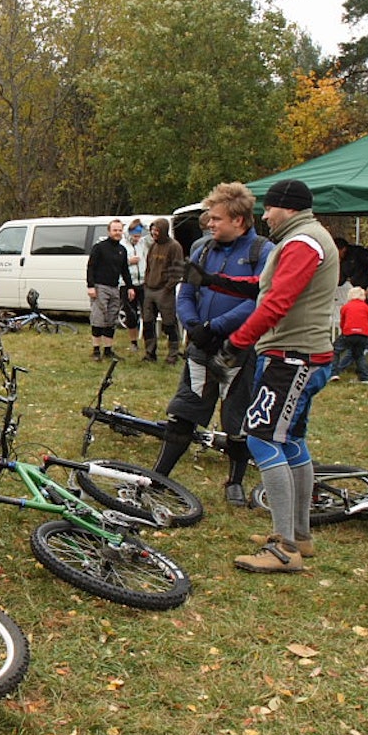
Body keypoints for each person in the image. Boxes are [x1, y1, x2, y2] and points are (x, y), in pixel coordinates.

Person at [214, 178, 338, 573]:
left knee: (261, 438)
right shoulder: (303, 239)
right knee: (292, 441)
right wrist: (214, 280)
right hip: (302, 355)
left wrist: (237, 341)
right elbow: (267, 287)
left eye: (269, 208)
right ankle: (299, 535)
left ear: (288, 207)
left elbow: (277, 302)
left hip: (292, 358)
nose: (265, 216)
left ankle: (284, 549)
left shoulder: (303, 242)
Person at [154, 182, 272, 507]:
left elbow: (258, 300)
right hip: (201, 345)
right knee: (184, 411)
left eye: (216, 218)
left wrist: (215, 327)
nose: (209, 223)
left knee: (237, 419)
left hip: (238, 349)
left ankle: (235, 481)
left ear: (239, 220)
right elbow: (186, 291)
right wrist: (193, 325)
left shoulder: (262, 252)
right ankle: (158, 477)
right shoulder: (203, 249)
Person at [86, 219, 133, 361]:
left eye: (120, 230)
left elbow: (125, 270)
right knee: (98, 319)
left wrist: (130, 287)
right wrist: (91, 286)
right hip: (100, 287)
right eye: (115, 230)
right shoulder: (99, 247)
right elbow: (91, 267)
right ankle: (96, 350)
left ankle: (108, 350)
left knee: (111, 319)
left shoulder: (122, 250)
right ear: (109, 231)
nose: (117, 233)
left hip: (114, 288)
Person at [141, 217, 185, 364]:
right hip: (149, 289)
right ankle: (150, 353)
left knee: (169, 323)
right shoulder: (153, 246)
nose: (154, 233)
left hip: (164, 291)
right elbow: (148, 266)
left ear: (164, 230)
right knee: (148, 322)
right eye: (152, 230)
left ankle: (173, 354)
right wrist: (146, 283)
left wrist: (168, 287)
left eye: (157, 230)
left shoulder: (174, 246)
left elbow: (178, 270)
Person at [331, 286, 368, 383]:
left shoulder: (346, 307)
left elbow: (343, 321)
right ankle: (365, 378)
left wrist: (343, 330)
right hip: (363, 335)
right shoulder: (367, 307)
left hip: (349, 333)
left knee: (335, 351)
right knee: (359, 355)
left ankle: (334, 373)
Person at [121, 220, 150, 352]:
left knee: (147, 313)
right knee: (131, 314)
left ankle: (148, 341)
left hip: (143, 283)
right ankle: (133, 342)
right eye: (135, 236)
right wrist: (129, 262)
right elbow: (117, 263)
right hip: (127, 284)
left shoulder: (143, 243)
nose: (137, 238)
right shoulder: (122, 245)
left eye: (139, 236)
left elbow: (152, 236)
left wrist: (144, 225)